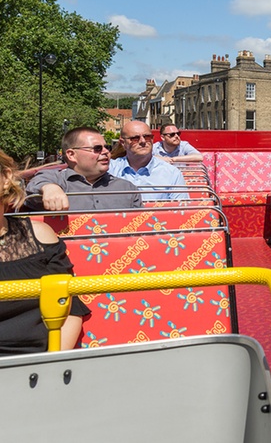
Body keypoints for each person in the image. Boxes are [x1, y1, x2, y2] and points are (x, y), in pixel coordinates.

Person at [0, 149, 89, 354]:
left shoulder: (39, 236)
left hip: (36, 364)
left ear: (5, 178)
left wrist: (51, 366)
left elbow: (70, 306)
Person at [26, 127, 142, 211]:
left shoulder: (127, 189)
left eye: (107, 147)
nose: (106, 152)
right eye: (97, 148)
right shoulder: (58, 181)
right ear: (71, 155)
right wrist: (49, 188)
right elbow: (33, 186)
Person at [109, 121, 186, 201]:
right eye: (135, 138)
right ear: (123, 143)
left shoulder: (172, 174)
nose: (143, 141)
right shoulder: (109, 170)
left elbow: (181, 211)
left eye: (147, 137)